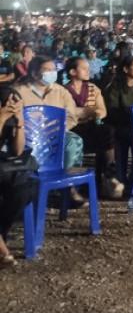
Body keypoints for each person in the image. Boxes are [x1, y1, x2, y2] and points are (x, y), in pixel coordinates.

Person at [15, 56, 87, 206]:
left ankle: (66, 186)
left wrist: (56, 131)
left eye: (53, 70)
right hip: (28, 138)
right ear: (34, 73)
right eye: (47, 70)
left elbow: (71, 116)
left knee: (73, 141)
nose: (51, 73)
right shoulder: (19, 92)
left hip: (55, 135)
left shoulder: (60, 92)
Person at [64, 57, 123, 199]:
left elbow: (102, 110)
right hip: (72, 128)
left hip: (90, 126)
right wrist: (85, 111)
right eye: (84, 68)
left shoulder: (93, 88)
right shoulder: (63, 91)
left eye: (88, 68)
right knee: (98, 138)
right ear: (72, 72)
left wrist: (93, 113)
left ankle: (109, 174)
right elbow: (66, 113)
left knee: (107, 131)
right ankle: (77, 185)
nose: (88, 71)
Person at [0, 86, 34, 268]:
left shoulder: (11, 120)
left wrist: (19, 122)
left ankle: (1, 235)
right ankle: (2, 250)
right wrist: (1, 118)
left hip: (4, 168)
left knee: (24, 189)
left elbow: (18, 151)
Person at [103, 56, 133, 182]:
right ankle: (121, 178)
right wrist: (130, 114)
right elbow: (112, 111)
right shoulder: (115, 88)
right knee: (122, 139)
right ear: (126, 69)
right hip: (120, 125)